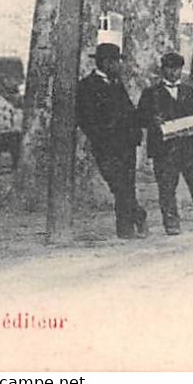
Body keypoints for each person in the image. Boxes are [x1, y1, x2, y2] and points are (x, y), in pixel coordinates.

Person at [136, 52, 193, 235]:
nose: (174, 72)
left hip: (190, 147)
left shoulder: (187, 91)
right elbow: (140, 118)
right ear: (162, 70)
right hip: (164, 149)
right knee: (167, 187)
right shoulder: (150, 93)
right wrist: (153, 120)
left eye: (177, 69)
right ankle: (171, 224)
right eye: (169, 68)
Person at [76, 43, 147, 239]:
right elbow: (85, 119)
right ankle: (138, 215)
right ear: (107, 63)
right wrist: (100, 136)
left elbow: (129, 110)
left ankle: (125, 230)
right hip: (105, 146)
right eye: (117, 62)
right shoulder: (86, 86)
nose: (120, 66)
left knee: (127, 185)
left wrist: (135, 132)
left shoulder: (117, 83)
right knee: (117, 184)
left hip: (126, 144)